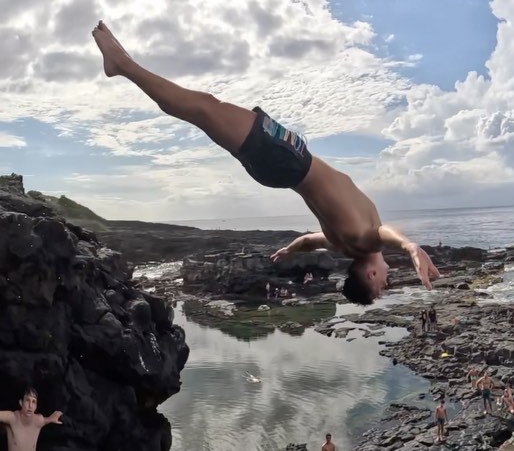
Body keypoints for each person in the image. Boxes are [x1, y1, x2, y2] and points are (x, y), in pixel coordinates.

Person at [92, 22, 439, 306]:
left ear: (371, 275)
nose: (389, 279)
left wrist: (409, 247)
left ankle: (122, 65)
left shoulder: (365, 242)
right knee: (204, 110)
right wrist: (289, 249)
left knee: (205, 108)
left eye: (382, 286)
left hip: (287, 160)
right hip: (280, 168)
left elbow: (382, 234)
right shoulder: (342, 244)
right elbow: (308, 240)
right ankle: (124, 64)